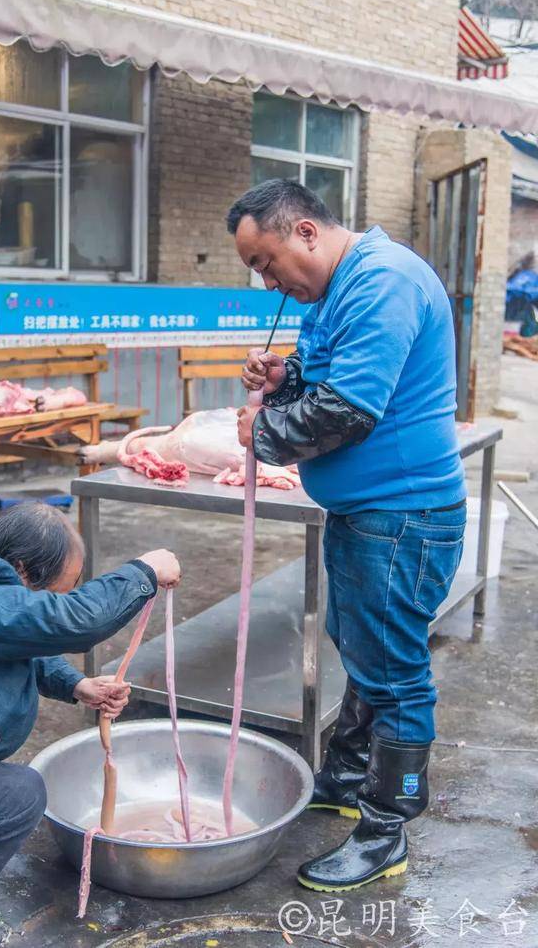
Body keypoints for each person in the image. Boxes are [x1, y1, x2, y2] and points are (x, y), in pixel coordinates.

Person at [227, 179, 467, 892]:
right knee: (359, 643)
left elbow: (348, 411)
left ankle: (386, 828)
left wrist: (261, 430)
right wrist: (287, 371)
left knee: (394, 674)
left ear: (305, 231)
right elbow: (327, 372)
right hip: (370, 516)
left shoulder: (384, 281)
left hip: (402, 517)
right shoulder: (336, 289)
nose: (268, 281)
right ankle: (348, 774)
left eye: (268, 263)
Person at [0, 503, 180, 948]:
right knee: (14, 796)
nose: (60, 599)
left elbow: (16, 635)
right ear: (22, 570)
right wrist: (145, 572)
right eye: (56, 590)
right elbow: (66, 622)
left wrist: (77, 685)